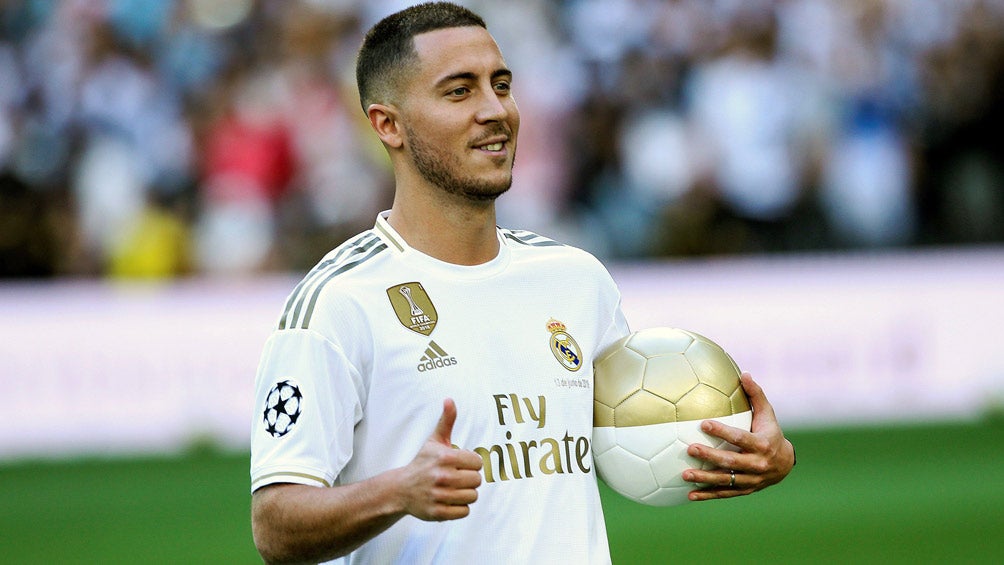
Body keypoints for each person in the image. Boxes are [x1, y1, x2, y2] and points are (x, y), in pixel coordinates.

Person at [250, 3, 795, 563]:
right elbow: (275, 526)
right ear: (388, 124)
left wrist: (749, 453)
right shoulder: (339, 303)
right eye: (459, 91)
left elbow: (626, 442)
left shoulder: (576, 280)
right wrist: (397, 491)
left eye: (501, 85)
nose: (495, 110)